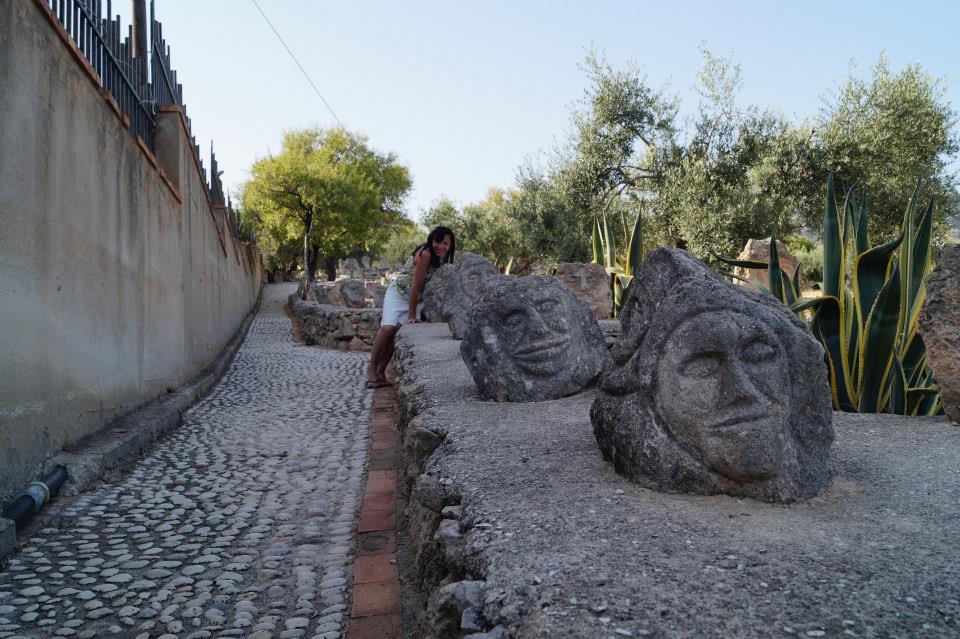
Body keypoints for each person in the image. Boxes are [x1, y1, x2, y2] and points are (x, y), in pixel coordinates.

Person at [366, 226, 455, 388]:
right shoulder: (426, 254)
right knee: (387, 329)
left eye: (445, 243)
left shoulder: (443, 259)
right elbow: (415, 285)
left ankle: (381, 372)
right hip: (399, 294)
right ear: (431, 240)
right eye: (438, 241)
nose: (441, 246)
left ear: (450, 245)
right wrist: (412, 315)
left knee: (395, 334)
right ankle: (372, 368)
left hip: (417, 300)